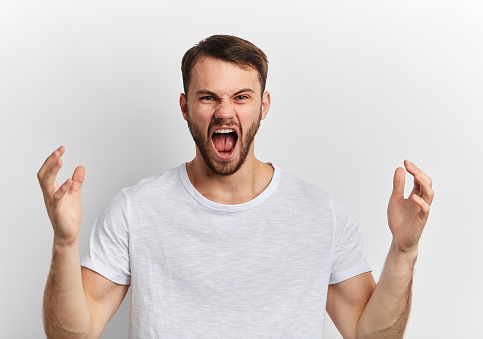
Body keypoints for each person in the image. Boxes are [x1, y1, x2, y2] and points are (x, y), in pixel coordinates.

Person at [38, 35, 434, 339]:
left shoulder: (320, 213)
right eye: (208, 96)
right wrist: (63, 243)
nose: (224, 111)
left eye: (241, 97)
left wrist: (405, 250)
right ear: (184, 106)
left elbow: (371, 334)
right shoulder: (134, 210)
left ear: (263, 106)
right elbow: (71, 333)